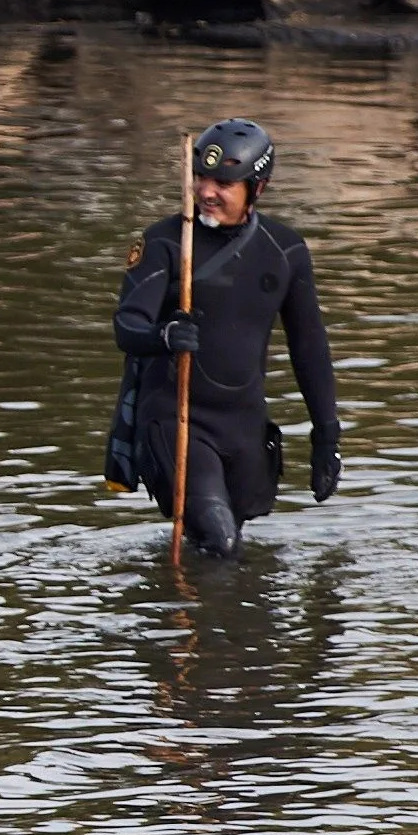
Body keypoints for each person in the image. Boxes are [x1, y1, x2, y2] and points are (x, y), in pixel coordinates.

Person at [107, 118, 339, 561]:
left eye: (223, 183)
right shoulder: (164, 242)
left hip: (244, 424)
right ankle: (190, 619)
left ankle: (206, 620)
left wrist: (326, 436)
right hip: (176, 419)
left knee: (227, 548)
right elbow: (127, 325)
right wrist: (164, 334)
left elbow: (309, 347)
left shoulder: (285, 249)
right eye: (200, 177)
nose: (206, 191)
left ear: (259, 188)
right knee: (220, 540)